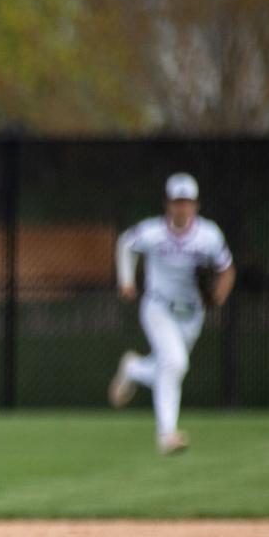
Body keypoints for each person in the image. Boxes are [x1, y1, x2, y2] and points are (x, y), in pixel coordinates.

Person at [108, 172, 235, 455]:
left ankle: (133, 368)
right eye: (177, 202)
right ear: (167, 204)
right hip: (158, 307)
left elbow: (226, 269)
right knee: (175, 363)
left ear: (196, 205)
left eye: (187, 202)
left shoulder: (209, 235)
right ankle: (167, 435)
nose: (182, 207)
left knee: (170, 368)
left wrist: (218, 296)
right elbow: (126, 243)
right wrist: (126, 280)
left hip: (192, 314)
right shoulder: (153, 232)